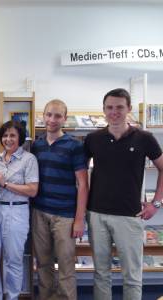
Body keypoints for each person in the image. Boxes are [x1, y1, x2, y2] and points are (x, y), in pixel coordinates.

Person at [84, 88, 163, 300]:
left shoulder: (144, 138)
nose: (114, 112)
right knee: (101, 274)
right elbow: (79, 175)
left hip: (129, 217)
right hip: (97, 215)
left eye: (119, 107)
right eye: (109, 107)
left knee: (132, 276)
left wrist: (155, 203)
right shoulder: (93, 139)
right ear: (103, 110)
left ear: (128, 109)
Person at [31, 99, 88, 300]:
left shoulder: (74, 145)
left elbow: (82, 184)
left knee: (65, 266)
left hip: (65, 216)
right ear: (43, 116)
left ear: (64, 118)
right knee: (43, 264)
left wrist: (79, 219)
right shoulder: (36, 145)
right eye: (49, 114)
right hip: (39, 213)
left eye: (57, 115)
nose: (52, 119)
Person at [0, 120, 39, 300]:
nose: (8, 139)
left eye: (12, 135)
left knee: (13, 261)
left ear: (20, 137)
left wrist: (5, 183)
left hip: (17, 212)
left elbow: (32, 190)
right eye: (5, 135)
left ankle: (12, 297)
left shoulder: (29, 159)